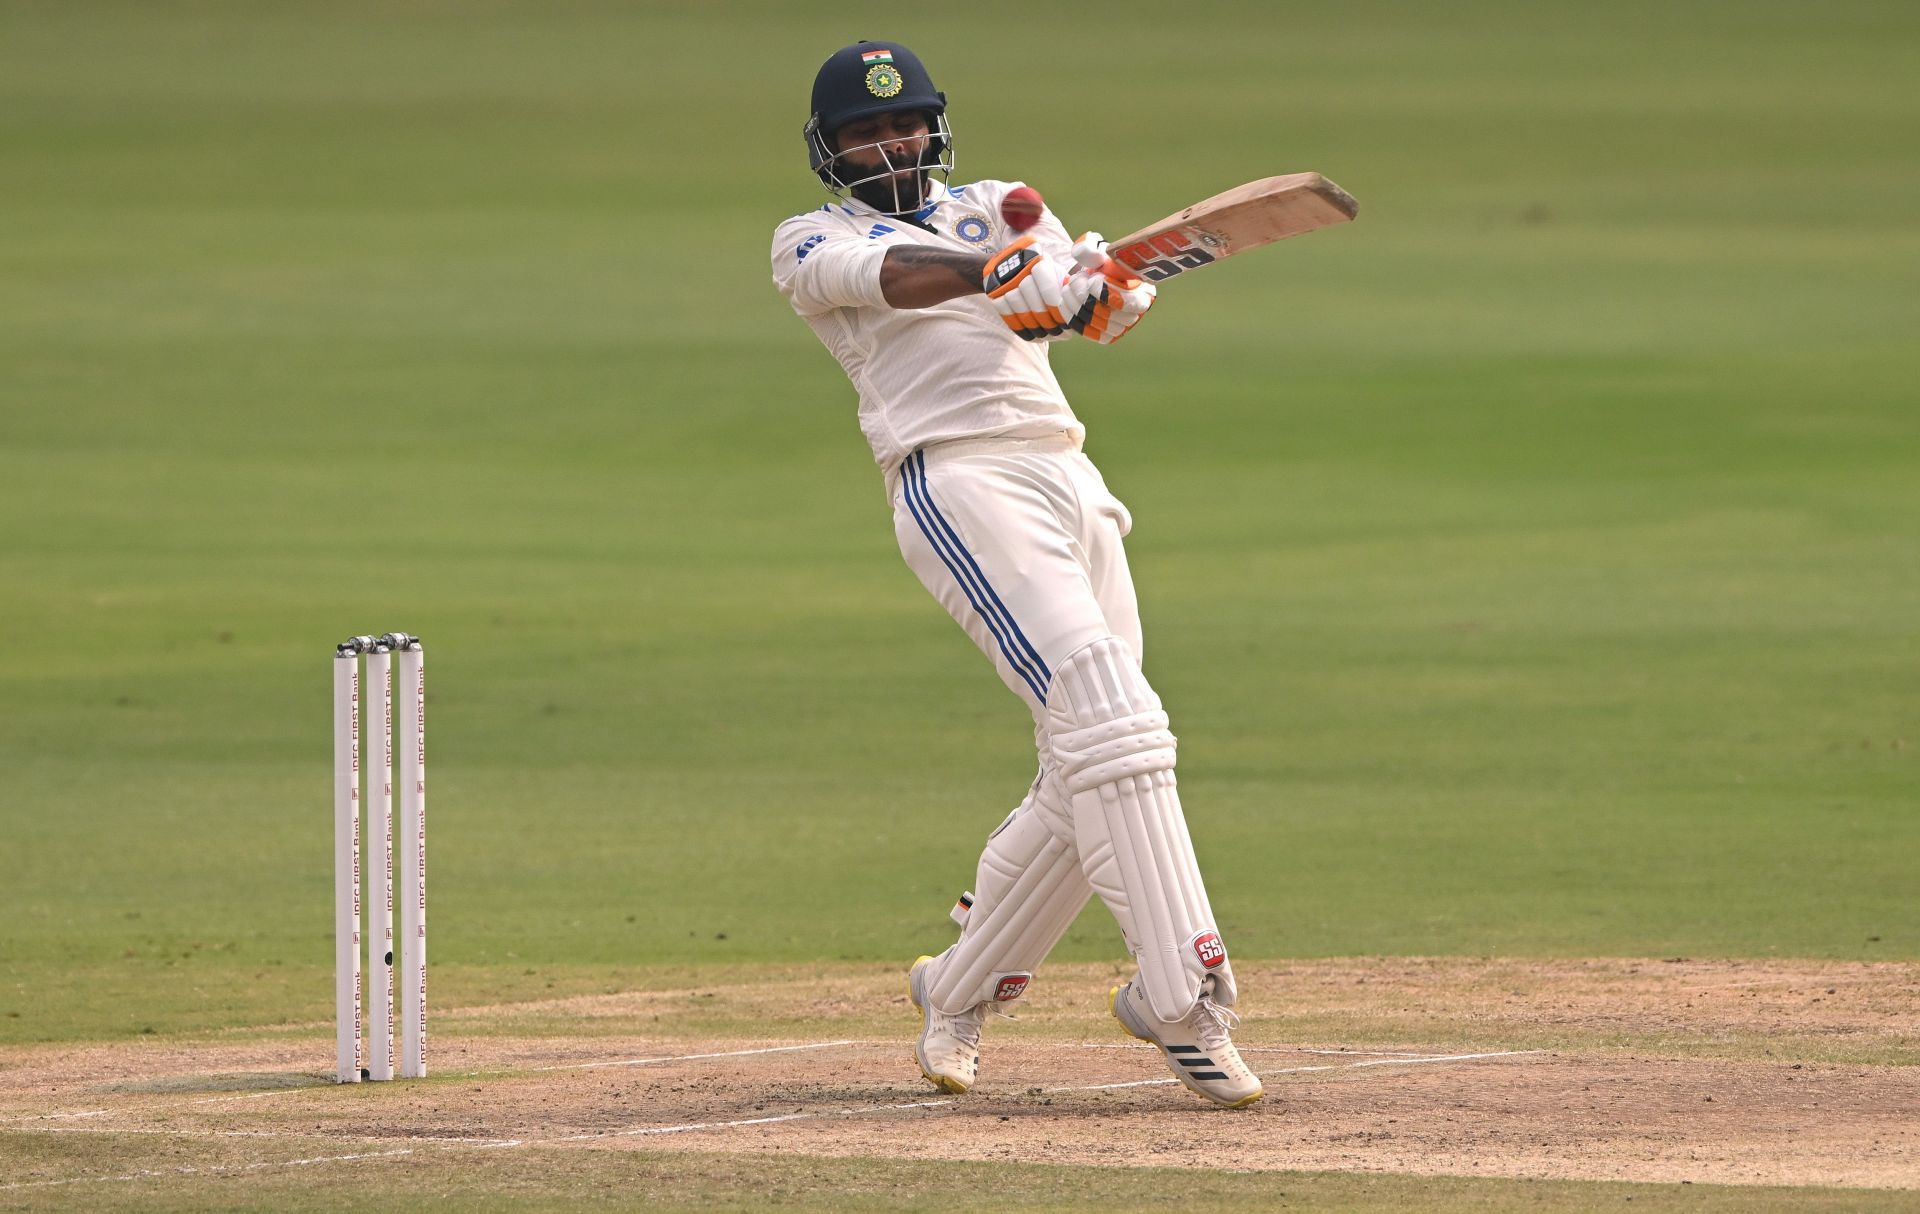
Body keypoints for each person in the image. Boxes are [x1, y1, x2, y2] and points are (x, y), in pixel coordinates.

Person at [770, 40, 1262, 1109]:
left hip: (1067, 472)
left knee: (1091, 750)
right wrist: (993, 272)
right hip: (958, 481)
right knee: (1110, 712)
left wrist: (1093, 283)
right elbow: (893, 278)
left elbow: (1097, 316)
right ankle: (1183, 996)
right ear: (830, 149)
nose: (888, 142)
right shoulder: (811, 240)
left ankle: (955, 986)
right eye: (863, 131)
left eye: (903, 125)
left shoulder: (1000, 204)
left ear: (933, 127)